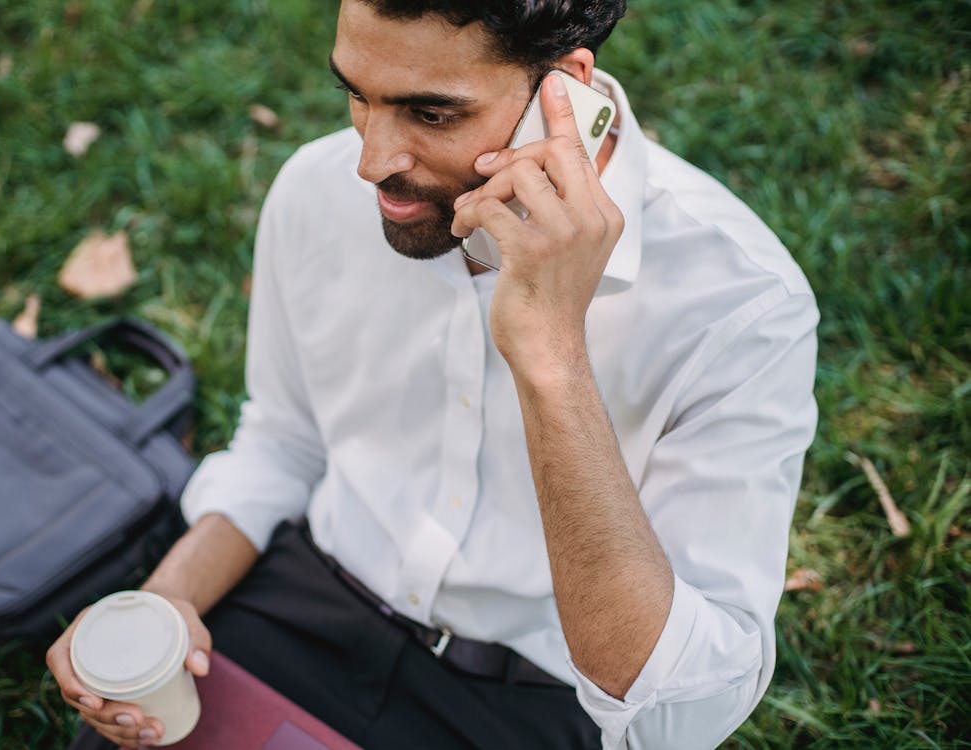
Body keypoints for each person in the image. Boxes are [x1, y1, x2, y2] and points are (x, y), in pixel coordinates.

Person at [47, 1, 819, 748]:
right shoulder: (315, 192)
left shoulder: (739, 308)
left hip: (535, 700)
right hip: (304, 607)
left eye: (432, 113)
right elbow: (284, 442)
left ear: (566, 90)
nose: (371, 161)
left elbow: (679, 715)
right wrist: (168, 600)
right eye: (355, 94)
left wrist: (551, 358)